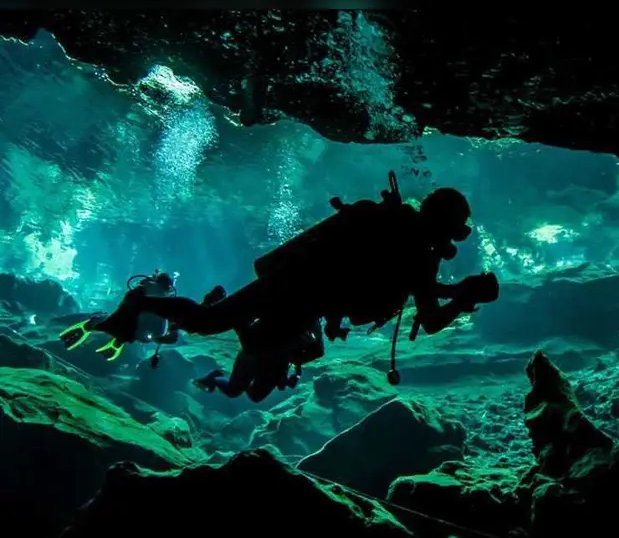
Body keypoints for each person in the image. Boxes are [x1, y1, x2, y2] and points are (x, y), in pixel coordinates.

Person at [85, 171, 499, 384]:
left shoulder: (398, 233)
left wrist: (454, 292)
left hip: (297, 283)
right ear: (448, 226)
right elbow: (428, 320)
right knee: (232, 331)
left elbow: (402, 289)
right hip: (305, 296)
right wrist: (461, 301)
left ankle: (148, 303)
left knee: (234, 331)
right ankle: (145, 302)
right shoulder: (418, 257)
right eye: (452, 229)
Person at [192, 286, 325, 402]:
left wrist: (292, 371)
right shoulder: (283, 308)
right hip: (255, 353)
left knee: (253, 395)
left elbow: (317, 351)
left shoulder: (312, 324)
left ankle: (219, 379)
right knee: (235, 390)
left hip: (271, 359)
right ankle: (215, 378)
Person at [59, 269, 182, 363]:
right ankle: (117, 340)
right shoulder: (167, 302)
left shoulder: (145, 288)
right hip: (137, 331)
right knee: (125, 333)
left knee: (107, 323)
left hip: (125, 323)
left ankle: (94, 326)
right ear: (169, 288)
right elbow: (168, 335)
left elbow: (126, 303)